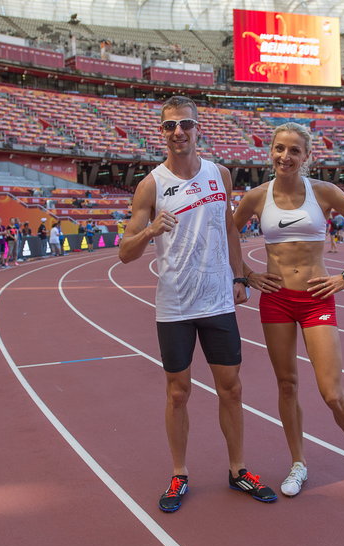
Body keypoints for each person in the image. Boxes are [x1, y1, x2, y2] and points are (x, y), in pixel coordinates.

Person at [119, 96, 276, 514]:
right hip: (175, 304)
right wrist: (150, 230)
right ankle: (179, 473)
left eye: (185, 124)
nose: (178, 132)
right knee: (177, 393)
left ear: (197, 128)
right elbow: (124, 253)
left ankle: (238, 469)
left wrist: (240, 275)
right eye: (170, 126)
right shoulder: (150, 185)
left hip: (218, 300)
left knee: (232, 388)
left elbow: (228, 227)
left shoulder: (219, 174)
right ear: (161, 133)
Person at [232, 122, 344, 504]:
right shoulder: (256, 197)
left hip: (316, 298)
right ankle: (298, 462)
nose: (285, 156)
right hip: (277, 300)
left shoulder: (324, 192)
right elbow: (226, 234)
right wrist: (246, 275)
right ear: (271, 152)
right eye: (279, 149)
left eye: (294, 150)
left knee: (332, 393)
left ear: (306, 156)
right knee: (286, 385)